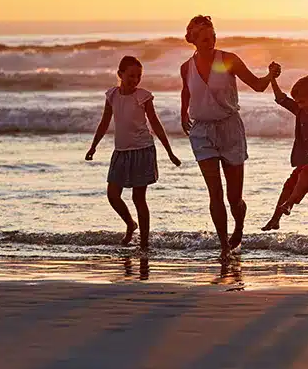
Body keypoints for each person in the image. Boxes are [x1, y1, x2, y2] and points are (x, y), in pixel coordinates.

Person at [180, 15, 281, 260]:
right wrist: (184, 113)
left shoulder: (227, 60)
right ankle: (224, 246)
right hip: (202, 132)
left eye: (213, 37)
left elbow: (257, 86)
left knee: (234, 198)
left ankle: (239, 227)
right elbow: (186, 90)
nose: (210, 42)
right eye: (204, 39)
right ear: (192, 39)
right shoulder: (186, 67)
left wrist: (271, 75)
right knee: (214, 193)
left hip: (229, 130)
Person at [86, 55, 181, 250]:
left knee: (139, 198)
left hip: (142, 150)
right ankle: (130, 223)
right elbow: (105, 122)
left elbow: (155, 123)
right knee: (113, 194)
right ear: (120, 74)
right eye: (131, 76)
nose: (135, 80)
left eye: (138, 76)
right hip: (120, 152)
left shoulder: (143, 96)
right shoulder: (112, 95)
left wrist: (169, 152)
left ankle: (144, 243)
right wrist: (93, 146)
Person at [261, 55, 308, 231]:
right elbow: (281, 98)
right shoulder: (299, 110)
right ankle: (275, 219)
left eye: (302, 101)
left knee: (305, 173)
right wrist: (272, 78)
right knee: (289, 185)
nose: (299, 105)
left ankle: (289, 204)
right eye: (297, 102)